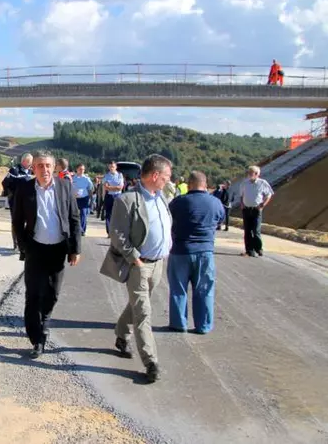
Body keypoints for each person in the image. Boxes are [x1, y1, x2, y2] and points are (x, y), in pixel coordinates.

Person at [99, 154, 173, 383]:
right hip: (139, 265)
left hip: (158, 264)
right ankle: (150, 362)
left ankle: (121, 334)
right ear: (155, 176)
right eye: (167, 177)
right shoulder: (128, 200)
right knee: (143, 313)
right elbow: (117, 234)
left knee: (136, 304)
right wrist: (134, 259)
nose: (169, 181)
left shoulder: (161, 197)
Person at [12, 151, 81, 359]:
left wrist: (75, 249)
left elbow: (74, 218)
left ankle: (44, 323)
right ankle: (37, 338)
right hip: (35, 248)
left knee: (53, 293)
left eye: (48, 166)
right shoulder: (25, 188)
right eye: (40, 166)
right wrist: (24, 247)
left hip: (58, 249)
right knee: (33, 295)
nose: (45, 170)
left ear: (54, 168)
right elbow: (17, 221)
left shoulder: (64, 186)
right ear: (34, 168)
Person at [167, 171, 225, 334]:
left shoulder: (178, 202)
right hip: (205, 251)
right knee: (204, 289)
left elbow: (168, 220)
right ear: (205, 185)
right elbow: (220, 220)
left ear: (189, 184)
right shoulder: (215, 203)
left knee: (178, 289)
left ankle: (179, 323)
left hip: (180, 250)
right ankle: (203, 325)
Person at [239, 165, 274, 257]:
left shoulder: (262, 183)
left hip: (256, 210)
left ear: (257, 174)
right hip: (246, 209)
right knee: (247, 231)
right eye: (249, 172)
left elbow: (269, 194)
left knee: (256, 230)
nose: (249, 174)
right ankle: (249, 250)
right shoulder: (244, 183)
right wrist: (242, 204)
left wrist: (263, 204)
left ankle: (258, 248)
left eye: (252, 173)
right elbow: (241, 195)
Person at [1, 153, 34, 250]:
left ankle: (24, 243)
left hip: (27, 201)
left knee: (28, 221)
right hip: (15, 202)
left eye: (31, 163)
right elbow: (5, 183)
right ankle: (16, 244)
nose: (30, 164)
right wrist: (11, 194)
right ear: (23, 161)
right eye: (29, 162)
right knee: (16, 222)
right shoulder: (14, 170)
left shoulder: (30, 172)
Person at [71, 163, 94, 236]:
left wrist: (91, 200)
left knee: (83, 214)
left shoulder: (87, 179)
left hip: (84, 198)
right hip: (75, 199)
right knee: (74, 214)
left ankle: (82, 230)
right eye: (80, 169)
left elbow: (90, 189)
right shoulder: (72, 178)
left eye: (83, 169)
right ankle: (75, 229)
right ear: (77, 169)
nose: (82, 171)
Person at [102, 161, 124, 235]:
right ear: (109, 167)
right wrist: (115, 187)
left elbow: (120, 187)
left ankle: (116, 231)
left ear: (116, 167)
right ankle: (109, 232)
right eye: (110, 167)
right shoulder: (106, 176)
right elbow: (106, 187)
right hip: (109, 196)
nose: (112, 168)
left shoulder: (120, 175)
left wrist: (110, 187)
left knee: (117, 214)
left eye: (113, 167)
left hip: (117, 196)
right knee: (108, 214)